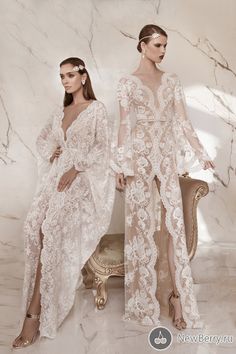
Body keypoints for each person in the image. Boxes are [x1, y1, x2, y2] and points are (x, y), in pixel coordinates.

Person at [111, 24, 215, 330]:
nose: (163, 51)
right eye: (158, 45)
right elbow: (123, 126)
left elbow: (182, 120)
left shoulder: (172, 80)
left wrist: (201, 152)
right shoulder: (127, 83)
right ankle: (144, 301)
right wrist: (120, 164)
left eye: (165, 46)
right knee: (142, 226)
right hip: (140, 156)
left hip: (167, 155)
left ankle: (178, 298)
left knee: (174, 225)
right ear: (142, 46)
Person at [12, 57, 115, 348]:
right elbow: (43, 141)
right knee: (34, 226)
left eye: (70, 74)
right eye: (61, 76)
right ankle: (37, 302)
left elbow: (103, 148)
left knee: (51, 228)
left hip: (80, 180)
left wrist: (75, 167)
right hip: (56, 178)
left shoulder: (96, 110)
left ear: (83, 77)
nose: (66, 80)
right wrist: (54, 153)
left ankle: (34, 315)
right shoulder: (62, 110)